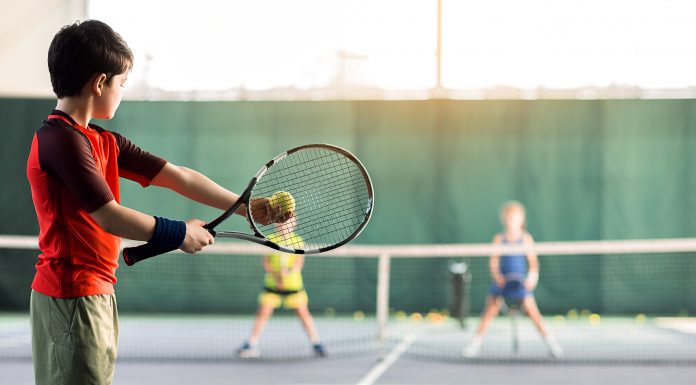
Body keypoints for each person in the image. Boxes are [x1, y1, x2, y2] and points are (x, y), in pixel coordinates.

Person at [26, 20, 280, 385]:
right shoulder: (60, 141)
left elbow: (179, 176)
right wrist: (178, 233)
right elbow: (109, 217)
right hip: (71, 296)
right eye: (122, 84)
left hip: (93, 292)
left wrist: (247, 205)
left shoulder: (102, 141)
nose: (121, 92)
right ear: (100, 82)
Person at [463, 201, 563, 358]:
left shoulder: (526, 239)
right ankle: (475, 344)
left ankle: (551, 344)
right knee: (488, 313)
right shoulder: (499, 238)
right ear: (504, 219)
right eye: (508, 218)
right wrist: (498, 277)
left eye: (515, 217)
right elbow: (494, 261)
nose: (511, 221)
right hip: (501, 283)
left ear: (521, 219)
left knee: (533, 313)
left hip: (521, 284)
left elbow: (533, 263)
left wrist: (531, 279)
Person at [238, 217, 326, 358]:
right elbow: (266, 262)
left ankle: (316, 343)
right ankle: (251, 343)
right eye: (281, 223)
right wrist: (276, 275)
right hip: (272, 285)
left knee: (303, 314)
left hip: (293, 286)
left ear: (294, 224)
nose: (284, 226)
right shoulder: (270, 239)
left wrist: (288, 273)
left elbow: (299, 262)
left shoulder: (298, 240)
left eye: (287, 223)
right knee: (263, 313)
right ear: (275, 225)